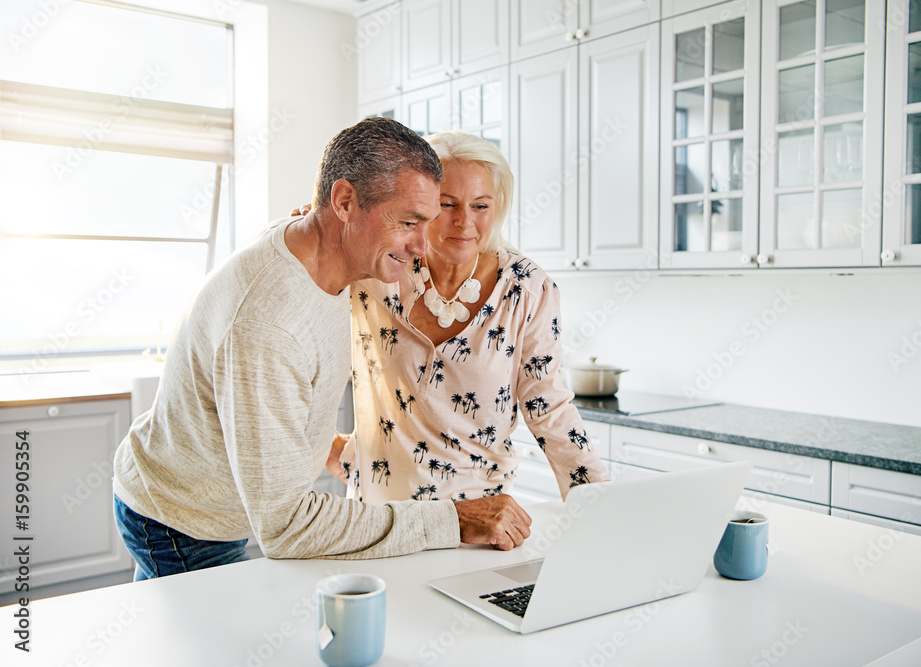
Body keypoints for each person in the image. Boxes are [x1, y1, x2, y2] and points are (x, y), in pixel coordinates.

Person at [112, 118, 531, 581]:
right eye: (408, 222)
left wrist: (315, 446)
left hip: (216, 508)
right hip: (182, 525)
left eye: (427, 222)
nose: (420, 245)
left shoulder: (322, 253)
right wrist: (455, 519)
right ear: (345, 201)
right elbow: (287, 527)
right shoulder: (269, 323)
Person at [336, 130, 609, 504]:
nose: (464, 222)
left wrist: (602, 505)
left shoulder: (527, 289)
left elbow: (547, 407)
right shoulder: (379, 271)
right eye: (447, 205)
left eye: (480, 206)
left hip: (479, 519)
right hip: (380, 516)